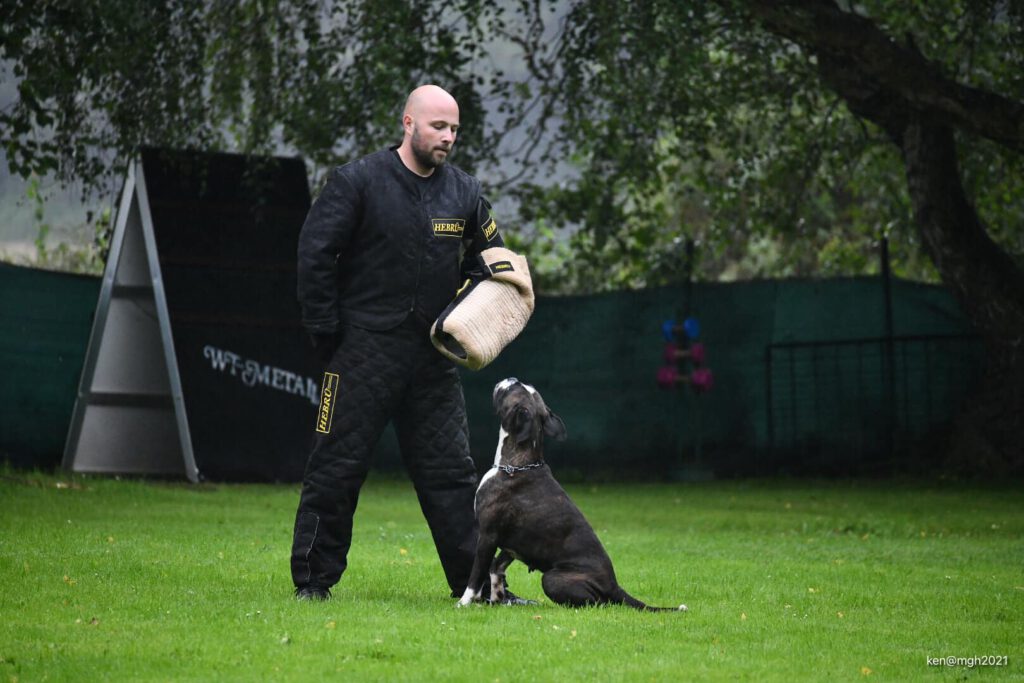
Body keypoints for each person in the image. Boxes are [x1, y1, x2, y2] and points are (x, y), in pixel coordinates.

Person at [290, 84, 526, 604]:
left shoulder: (464, 192)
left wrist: (471, 315)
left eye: (455, 129)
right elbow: (314, 256)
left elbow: (493, 261)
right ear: (408, 123)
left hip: (431, 361)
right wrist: (328, 334)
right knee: (335, 468)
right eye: (439, 126)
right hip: (359, 355)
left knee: (452, 477)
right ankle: (313, 582)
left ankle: (478, 589)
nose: (448, 137)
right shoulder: (357, 182)